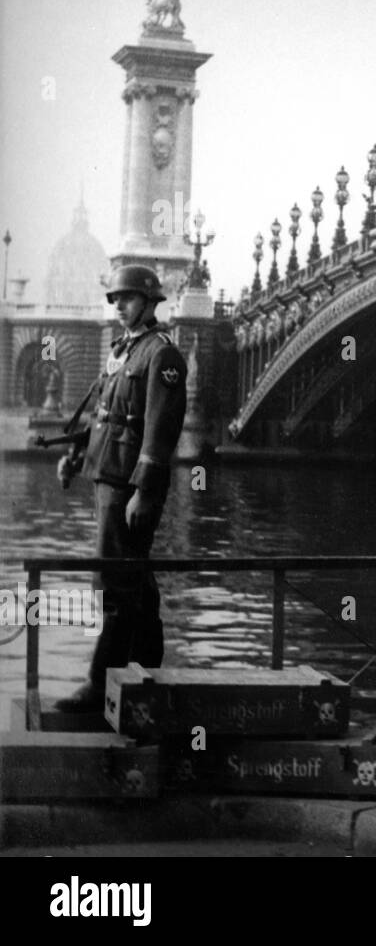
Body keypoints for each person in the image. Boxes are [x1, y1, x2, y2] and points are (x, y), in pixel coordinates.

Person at [54, 264, 188, 712]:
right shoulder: (123, 351)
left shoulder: (161, 354)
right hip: (107, 477)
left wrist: (144, 492)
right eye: (115, 300)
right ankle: (146, 667)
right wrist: (75, 456)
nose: (120, 307)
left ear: (150, 302)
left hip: (128, 485)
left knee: (113, 582)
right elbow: (104, 418)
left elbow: (159, 428)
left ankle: (100, 686)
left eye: (127, 299)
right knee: (135, 577)